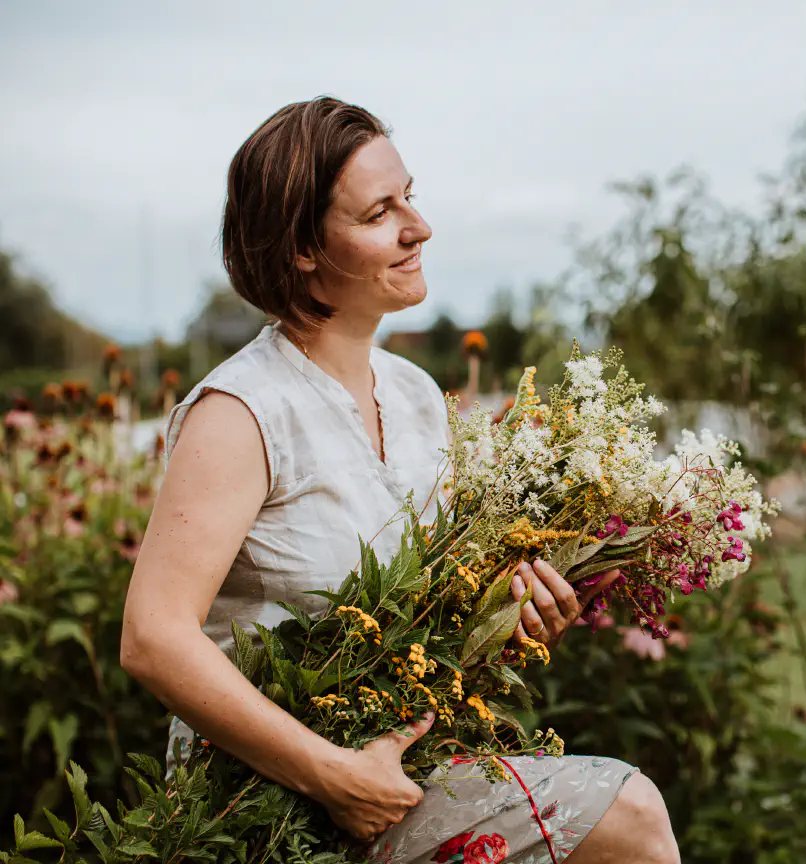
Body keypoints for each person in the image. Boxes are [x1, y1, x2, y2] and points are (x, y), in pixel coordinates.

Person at [119, 96, 680, 864]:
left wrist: (510, 614)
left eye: (409, 196)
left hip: (404, 766)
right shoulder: (241, 412)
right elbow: (153, 638)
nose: (418, 227)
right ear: (304, 249)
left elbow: (426, 626)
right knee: (632, 819)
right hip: (264, 802)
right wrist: (332, 774)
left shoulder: (417, 396)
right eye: (380, 212)